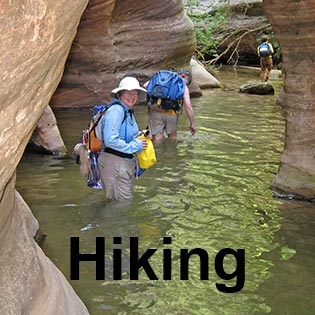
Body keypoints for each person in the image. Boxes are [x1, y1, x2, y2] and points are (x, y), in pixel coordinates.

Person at [97, 77, 150, 200]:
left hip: (123, 162)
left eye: (135, 93)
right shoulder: (116, 111)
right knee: (121, 204)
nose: (132, 96)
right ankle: (98, 219)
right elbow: (110, 140)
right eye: (129, 93)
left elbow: (124, 135)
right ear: (120, 94)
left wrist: (140, 134)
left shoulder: (127, 111)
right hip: (114, 163)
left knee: (120, 202)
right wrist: (136, 146)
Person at [143, 69, 196, 142]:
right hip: (171, 113)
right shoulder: (183, 85)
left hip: (155, 110)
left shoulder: (162, 78)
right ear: (186, 78)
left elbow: (145, 85)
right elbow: (188, 106)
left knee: (157, 137)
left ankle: (158, 151)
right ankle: (170, 152)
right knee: (172, 138)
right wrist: (192, 124)